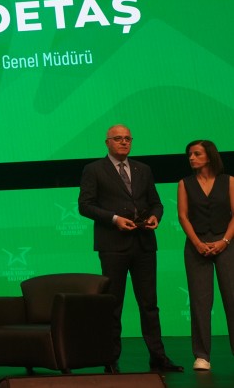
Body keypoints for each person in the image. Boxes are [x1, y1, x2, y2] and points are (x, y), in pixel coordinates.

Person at [78, 124, 182, 373]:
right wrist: (114, 219)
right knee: (113, 304)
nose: (124, 142)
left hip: (144, 244)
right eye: (118, 138)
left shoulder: (143, 169)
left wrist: (156, 216)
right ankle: (110, 358)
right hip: (113, 245)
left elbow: (156, 203)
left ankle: (158, 357)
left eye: (128, 138)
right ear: (107, 142)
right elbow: (85, 205)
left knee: (149, 304)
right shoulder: (94, 169)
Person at [176, 139, 234, 372]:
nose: (191, 158)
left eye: (197, 153)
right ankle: (202, 355)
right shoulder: (185, 183)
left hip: (226, 243)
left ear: (209, 156)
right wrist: (198, 243)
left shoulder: (229, 181)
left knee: (232, 297)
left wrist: (224, 241)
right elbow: (183, 216)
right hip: (196, 246)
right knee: (200, 301)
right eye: (189, 154)